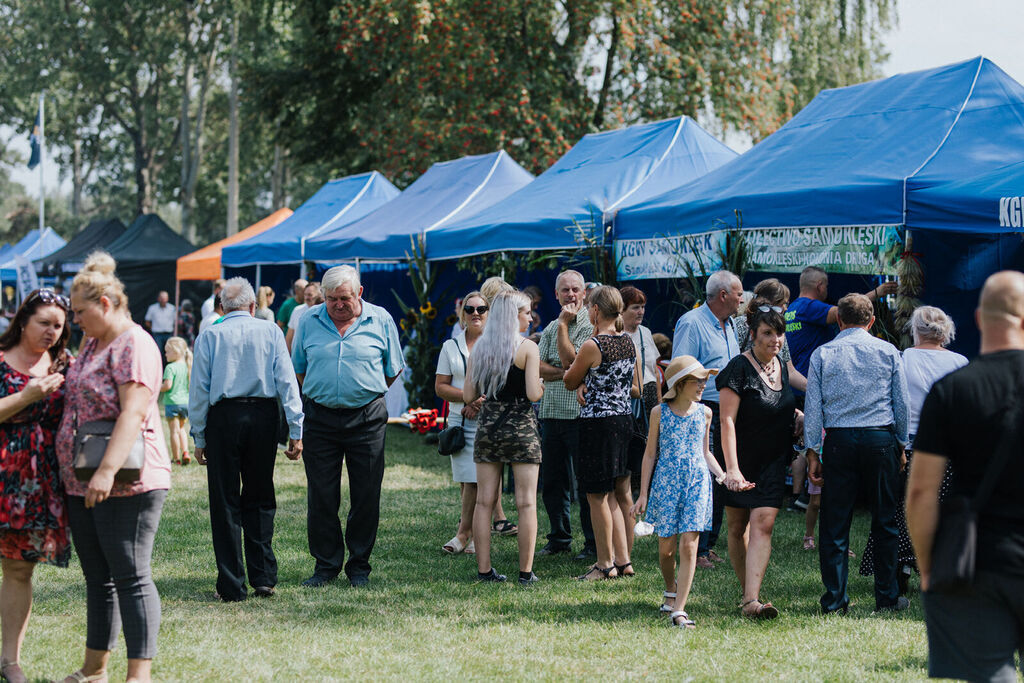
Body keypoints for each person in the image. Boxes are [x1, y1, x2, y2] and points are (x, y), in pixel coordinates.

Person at [57, 252, 171, 683]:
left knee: (131, 574)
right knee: (98, 577)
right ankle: (94, 670)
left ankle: (137, 676)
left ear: (105, 304)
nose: (76, 320)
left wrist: (105, 471)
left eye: (80, 312)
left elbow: (133, 413)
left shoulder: (134, 343)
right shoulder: (91, 342)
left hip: (128, 481)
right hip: (82, 479)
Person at [907, 271, 1024, 682]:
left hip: (977, 561)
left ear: (977, 319)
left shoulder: (952, 390)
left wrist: (926, 568)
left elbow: (921, 492)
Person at [189, 278, 304, 602]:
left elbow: (199, 388)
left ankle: (231, 583)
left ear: (222, 307)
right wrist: (296, 429)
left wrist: (198, 434)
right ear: (254, 306)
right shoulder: (271, 332)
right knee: (260, 494)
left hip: (223, 418)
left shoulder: (210, 334)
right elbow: (286, 381)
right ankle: (263, 576)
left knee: (225, 500)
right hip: (263, 416)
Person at [292, 265, 403, 588]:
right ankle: (325, 565)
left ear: (360, 294)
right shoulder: (309, 321)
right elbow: (299, 367)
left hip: (366, 417)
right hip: (320, 417)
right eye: (331, 299)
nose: (338, 305)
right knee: (322, 495)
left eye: (345, 298)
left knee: (366, 494)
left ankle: (359, 566)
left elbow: (392, 368)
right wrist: (323, 388)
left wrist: (364, 389)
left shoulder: (381, 319)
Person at [804, 293, 910, 615]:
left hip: (839, 441)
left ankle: (835, 601)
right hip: (880, 439)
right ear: (872, 320)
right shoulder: (889, 351)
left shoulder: (822, 354)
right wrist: (902, 444)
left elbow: (813, 409)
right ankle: (888, 598)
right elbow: (901, 404)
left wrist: (812, 451)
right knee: (886, 521)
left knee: (835, 524)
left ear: (839, 320)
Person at [860, 305, 967, 592]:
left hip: (908, 443)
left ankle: (901, 565)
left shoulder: (903, 357)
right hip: (948, 447)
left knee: (902, 508)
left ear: (915, 331)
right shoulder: (960, 361)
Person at [630, 356, 735, 628]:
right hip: (666, 482)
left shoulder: (705, 413)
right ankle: (670, 587)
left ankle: (679, 609)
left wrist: (723, 476)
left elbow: (706, 452)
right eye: (697, 381)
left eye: (704, 380)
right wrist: (643, 494)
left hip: (697, 482)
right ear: (679, 383)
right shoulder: (659, 413)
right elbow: (650, 454)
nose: (703, 385)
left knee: (689, 545)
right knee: (666, 549)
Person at [0, 289, 72, 683]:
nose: (51, 331)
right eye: (44, 322)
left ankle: (10, 660)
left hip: (38, 481)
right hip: (1, 471)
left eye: (58, 326)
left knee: (18, 568)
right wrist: (25, 396)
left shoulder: (64, 362)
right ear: (23, 320)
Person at [718, 301, 800, 619]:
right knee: (738, 527)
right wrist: (733, 469)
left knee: (763, 524)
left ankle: (752, 600)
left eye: (778, 333)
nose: (774, 340)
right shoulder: (738, 369)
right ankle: (747, 594)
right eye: (767, 333)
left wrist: (799, 414)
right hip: (740, 458)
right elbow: (726, 421)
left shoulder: (780, 364)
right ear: (753, 334)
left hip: (773, 460)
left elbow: (774, 404)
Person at [464, 291, 544, 584]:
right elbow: (534, 394)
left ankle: (484, 571)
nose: (530, 317)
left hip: (489, 429)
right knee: (526, 503)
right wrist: (541, 386)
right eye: (526, 312)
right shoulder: (527, 348)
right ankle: (525, 573)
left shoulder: (481, 348)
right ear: (514, 315)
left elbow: (469, 395)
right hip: (521, 429)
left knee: (484, 503)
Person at [563, 286, 640, 580]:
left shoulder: (593, 344)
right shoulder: (628, 342)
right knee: (619, 494)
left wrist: (582, 382)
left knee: (597, 496)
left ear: (595, 310)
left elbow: (570, 381)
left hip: (598, 424)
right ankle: (623, 560)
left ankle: (604, 563)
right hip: (623, 420)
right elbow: (629, 385)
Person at [672, 270, 743, 569]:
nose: (742, 297)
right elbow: (680, 370)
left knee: (723, 478)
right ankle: (696, 548)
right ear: (723, 295)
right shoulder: (692, 323)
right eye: (738, 292)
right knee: (706, 481)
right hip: (703, 410)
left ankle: (707, 544)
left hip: (729, 410)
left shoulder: (731, 326)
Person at [435, 291, 511, 555]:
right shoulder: (450, 347)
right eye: (470, 309)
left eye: (481, 309)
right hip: (461, 420)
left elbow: (505, 382)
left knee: (483, 479)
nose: (476, 313)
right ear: (462, 314)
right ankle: (469, 533)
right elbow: (441, 387)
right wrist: (467, 400)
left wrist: (478, 401)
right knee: (468, 479)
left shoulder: (499, 345)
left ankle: (467, 534)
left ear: (489, 314)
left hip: (491, 419)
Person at [537, 270, 596, 559]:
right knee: (553, 482)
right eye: (565, 290)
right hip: (551, 414)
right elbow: (538, 367)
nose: (570, 295)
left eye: (575, 289)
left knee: (585, 483)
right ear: (556, 294)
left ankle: (591, 542)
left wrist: (563, 327)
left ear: (584, 293)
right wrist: (567, 374)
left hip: (579, 415)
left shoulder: (590, 326)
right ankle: (559, 538)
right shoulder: (549, 327)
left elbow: (571, 360)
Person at [784, 266, 897, 384]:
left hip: (797, 381)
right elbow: (845, 310)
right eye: (826, 286)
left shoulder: (792, 309)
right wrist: (876, 293)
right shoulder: (809, 307)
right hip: (809, 382)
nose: (827, 290)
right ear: (819, 286)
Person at [621, 286, 661, 419]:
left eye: (643, 307)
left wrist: (660, 404)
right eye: (636, 307)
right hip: (627, 398)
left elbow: (655, 371)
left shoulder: (646, 332)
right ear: (621, 309)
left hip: (651, 396)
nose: (641, 312)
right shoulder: (615, 335)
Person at [161, 337, 192, 466]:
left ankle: (176, 458)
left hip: (172, 403)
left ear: (175, 352)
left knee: (174, 432)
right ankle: (185, 452)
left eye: (167, 351)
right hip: (185, 403)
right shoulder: (187, 366)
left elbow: (167, 386)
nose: (165, 354)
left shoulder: (170, 367)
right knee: (182, 429)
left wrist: (157, 387)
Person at [286, 282, 323, 352]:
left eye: (310, 295)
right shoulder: (297, 310)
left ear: (318, 295)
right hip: (297, 355)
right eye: (305, 294)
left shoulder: (323, 311)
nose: (306, 298)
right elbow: (289, 337)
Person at [143, 291, 175, 363]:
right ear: (158, 299)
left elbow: (175, 321)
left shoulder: (172, 308)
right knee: (157, 353)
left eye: (165, 298)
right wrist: (154, 328)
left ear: (167, 299)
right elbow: (147, 321)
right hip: (157, 335)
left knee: (171, 353)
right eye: (162, 298)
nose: (163, 300)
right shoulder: (152, 308)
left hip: (169, 334)